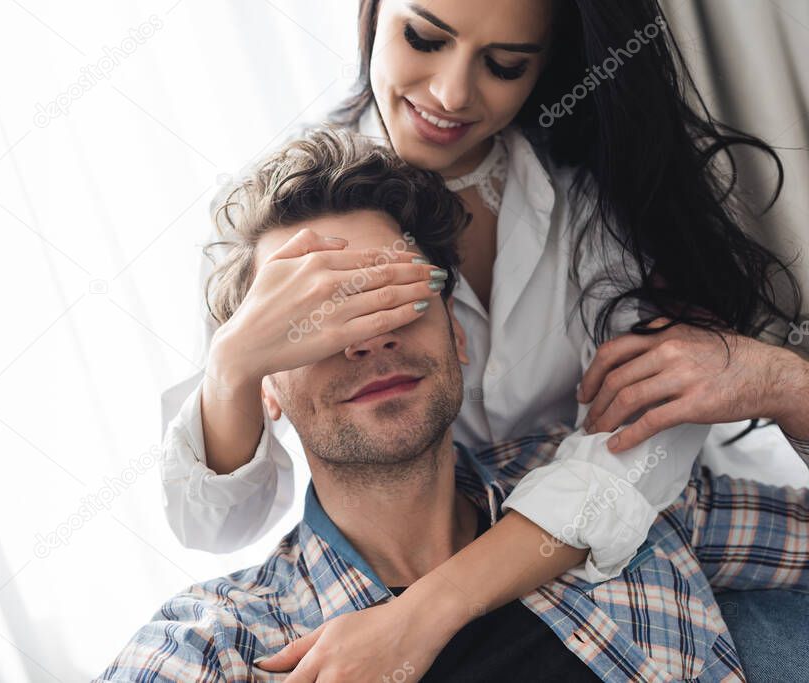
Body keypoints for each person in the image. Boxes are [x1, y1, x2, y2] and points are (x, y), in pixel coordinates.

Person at [160, 0, 809, 677]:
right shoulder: (279, 221)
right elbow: (215, 523)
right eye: (423, 37)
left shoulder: (597, 201)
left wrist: (424, 612)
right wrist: (232, 364)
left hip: (617, 564)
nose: (450, 94)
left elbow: (634, 463)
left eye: (504, 65)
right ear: (371, 13)